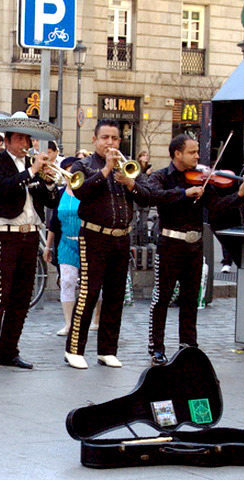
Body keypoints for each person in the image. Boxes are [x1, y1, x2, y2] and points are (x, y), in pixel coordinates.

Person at [146, 134, 244, 366]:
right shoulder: (161, 177)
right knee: (162, 297)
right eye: (192, 152)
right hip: (169, 243)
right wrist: (184, 193)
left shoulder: (202, 179)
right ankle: (156, 348)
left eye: (197, 152)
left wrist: (240, 194)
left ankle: (188, 345)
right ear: (177, 154)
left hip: (194, 245)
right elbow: (154, 196)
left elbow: (216, 207)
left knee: (190, 298)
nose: (197, 157)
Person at [0, 112, 60, 374]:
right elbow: (1, 189)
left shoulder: (31, 165)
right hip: (5, 232)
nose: (26, 142)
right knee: (0, 295)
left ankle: (10, 351)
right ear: (9, 139)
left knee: (22, 297)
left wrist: (46, 182)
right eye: (21, 137)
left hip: (30, 233)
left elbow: (50, 202)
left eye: (28, 137)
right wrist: (32, 171)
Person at [64, 120, 151, 370]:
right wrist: (105, 172)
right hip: (94, 236)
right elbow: (82, 192)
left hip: (122, 237)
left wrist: (130, 183)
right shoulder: (84, 165)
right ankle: (74, 350)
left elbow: (146, 197)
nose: (110, 143)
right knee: (89, 293)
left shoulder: (129, 167)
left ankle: (107, 350)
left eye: (114, 138)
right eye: (105, 138)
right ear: (95, 140)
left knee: (115, 294)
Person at [44, 157, 100, 336]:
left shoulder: (89, 192)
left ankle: (96, 318)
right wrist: (48, 246)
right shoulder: (61, 194)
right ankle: (68, 323)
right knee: (67, 281)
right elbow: (53, 222)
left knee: (92, 284)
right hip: (66, 242)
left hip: (88, 242)